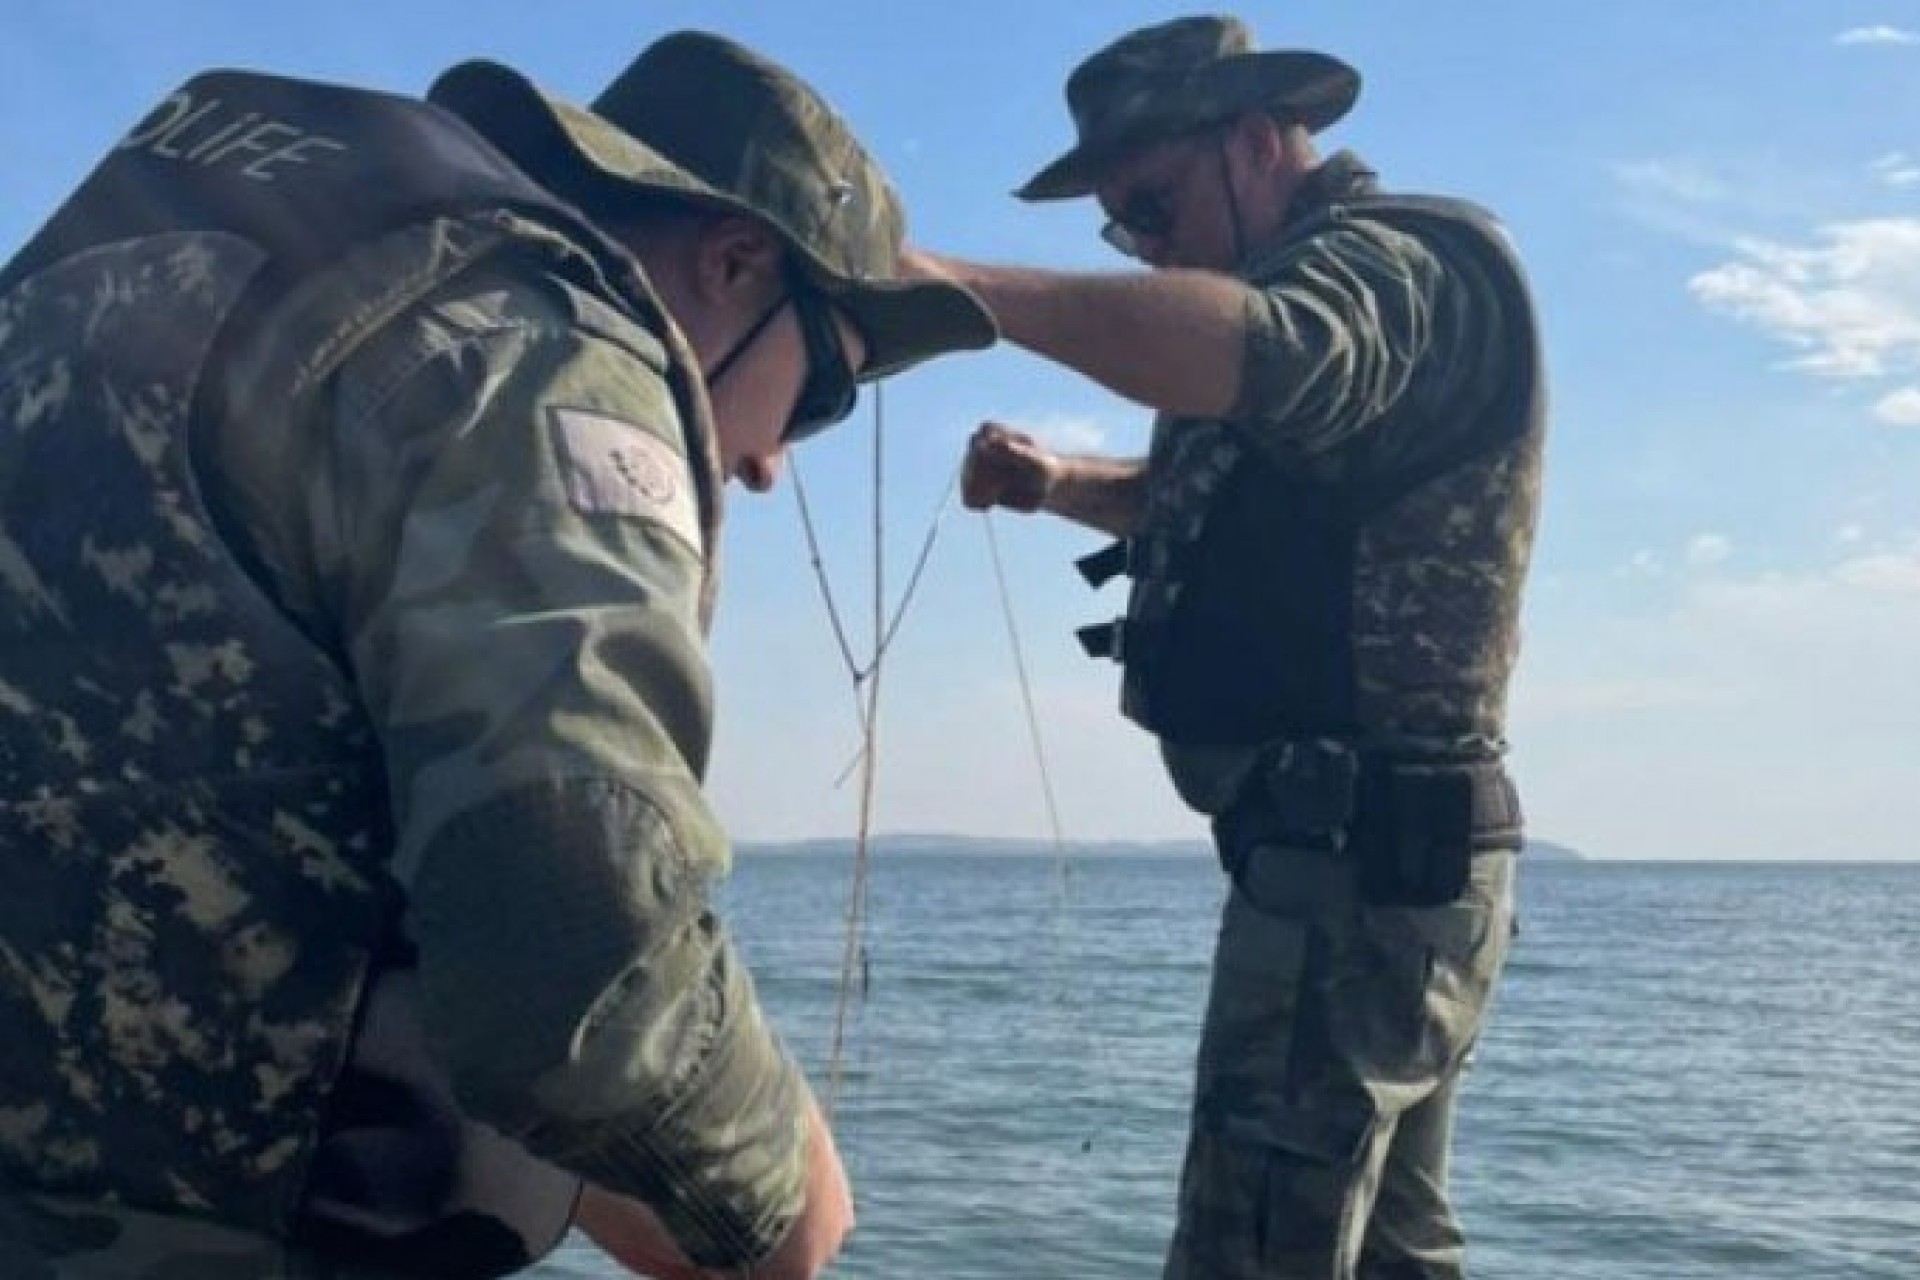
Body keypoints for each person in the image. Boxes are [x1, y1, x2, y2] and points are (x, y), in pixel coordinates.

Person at [0, 28, 992, 1280]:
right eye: (823, 393)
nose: (771, 460)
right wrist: (768, 1189)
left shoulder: (185, 285)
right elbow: (575, 933)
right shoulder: (538, 348)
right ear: (737, 260)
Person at [902, 15, 1545, 1280]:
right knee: (1391, 1259)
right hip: (1375, 876)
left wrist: (947, 286)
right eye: (1118, 226)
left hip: (1356, 877)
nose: (1144, 247)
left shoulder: (1394, 267)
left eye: (1152, 202)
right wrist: (1056, 483)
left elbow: (1270, 353)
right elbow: (1221, 498)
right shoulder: (1328, 300)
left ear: (1259, 143)